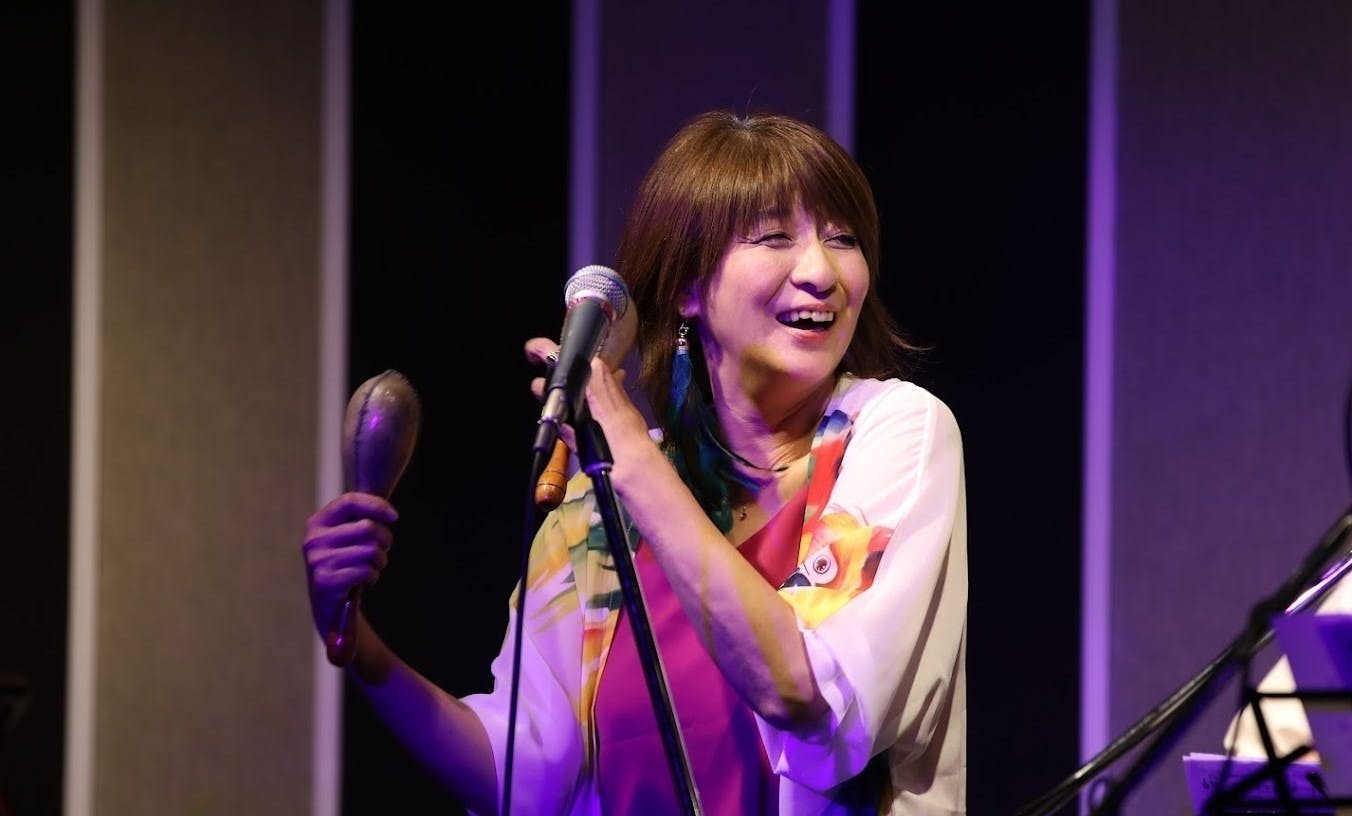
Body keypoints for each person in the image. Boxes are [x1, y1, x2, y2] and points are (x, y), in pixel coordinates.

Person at [302, 109, 968, 815]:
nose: (822, 272)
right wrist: (357, 643)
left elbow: (809, 698)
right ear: (687, 288)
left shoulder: (893, 433)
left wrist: (628, 454)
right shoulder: (599, 516)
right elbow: (523, 778)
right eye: (776, 238)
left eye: (843, 239)